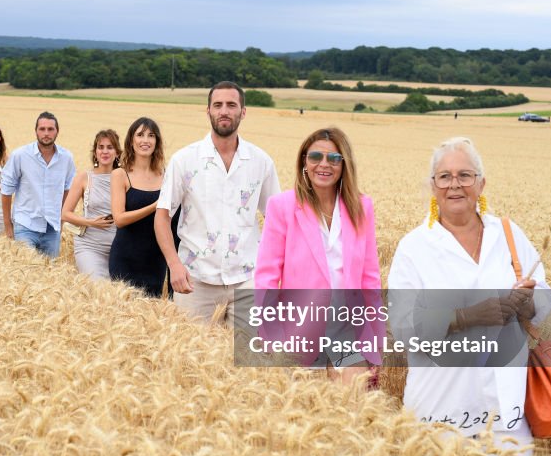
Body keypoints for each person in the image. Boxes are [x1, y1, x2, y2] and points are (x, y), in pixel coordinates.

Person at [388, 137, 551, 456]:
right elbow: (403, 327)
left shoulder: (508, 234)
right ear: (433, 186)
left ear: (481, 183)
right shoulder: (414, 247)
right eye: (444, 176)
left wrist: (528, 303)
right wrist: (468, 316)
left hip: (505, 406)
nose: (455, 185)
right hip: (439, 408)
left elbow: (546, 297)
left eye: (465, 175)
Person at [254, 127, 383, 384]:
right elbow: (266, 278)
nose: (324, 164)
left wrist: (375, 344)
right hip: (298, 333)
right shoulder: (282, 207)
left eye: (334, 158)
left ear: (344, 164)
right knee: (301, 415)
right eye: (315, 157)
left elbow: (371, 281)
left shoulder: (362, 207)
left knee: (352, 411)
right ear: (304, 161)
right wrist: (274, 339)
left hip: (349, 333)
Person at [155, 81, 280, 324]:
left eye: (231, 105)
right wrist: (174, 265)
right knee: (191, 358)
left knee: (249, 358)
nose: (224, 111)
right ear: (208, 111)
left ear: (243, 112)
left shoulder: (261, 162)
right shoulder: (184, 160)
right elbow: (162, 216)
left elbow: (277, 219)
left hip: (248, 280)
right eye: (218, 105)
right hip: (194, 280)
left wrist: (273, 270)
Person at [0, 111, 76, 258]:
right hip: (25, 225)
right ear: (36, 131)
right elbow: (6, 190)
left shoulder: (66, 158)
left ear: (57, 131)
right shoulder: (20, 155)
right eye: (42, 129)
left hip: (52, 228)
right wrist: (8, 225)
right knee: (25, 271)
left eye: (50, 129)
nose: (46, 133)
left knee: (49, 274)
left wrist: (61, 218)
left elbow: (68, 189)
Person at [109, 119, 167, 295]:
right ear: (131, 141)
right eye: (140, 135)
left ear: (156, 142)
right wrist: (156, 205)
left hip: (155, 258)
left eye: (151, 136)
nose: (145, 140)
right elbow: (119, 219)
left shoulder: (165, 174)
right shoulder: (120, 174)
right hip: (126, 257)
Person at [63, 129, 119, 278]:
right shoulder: (84, 177)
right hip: (90, 246)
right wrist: (91, 222)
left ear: (117, 152)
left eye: (110, 147)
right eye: (101, 147)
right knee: (98, 288)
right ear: (95, 152)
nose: (105, 151)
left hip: (119, 248)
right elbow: (65, 213)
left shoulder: (124, 178)